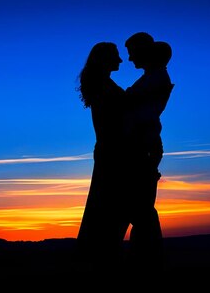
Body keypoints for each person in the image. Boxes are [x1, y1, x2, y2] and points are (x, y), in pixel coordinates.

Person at [124, 32, 174, 270]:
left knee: (141, 208)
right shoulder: (151, 78)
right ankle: (146, 258)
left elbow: (132, 106)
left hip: (144, 146)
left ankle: (148, 261)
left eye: (133, 53)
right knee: (140, 206)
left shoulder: (156, 79)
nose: (130, 60)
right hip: (143, 144)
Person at [76, 42, 128, 270]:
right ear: (105, 59)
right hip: (112, 152)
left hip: (108, 150)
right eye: (116, 56)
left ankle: (101, 256)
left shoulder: (102, 85)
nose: (120, 61)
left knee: (105, 205)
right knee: (109, 206)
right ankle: (103, 258)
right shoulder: (104, 88)